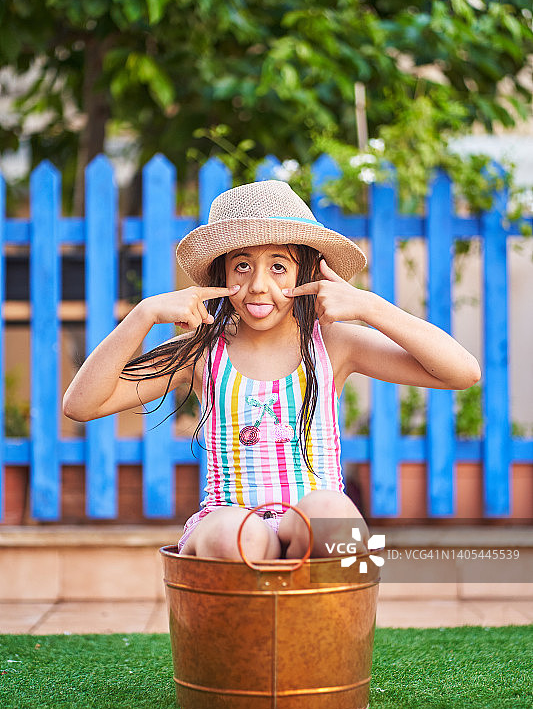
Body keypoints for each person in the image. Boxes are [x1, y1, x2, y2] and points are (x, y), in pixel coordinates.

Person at [63, 179, 481, 562]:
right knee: (234, 532)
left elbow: (462, 373)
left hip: (312, 532)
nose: (259, 284)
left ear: (307, 273)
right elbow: (81, 405)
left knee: (330, 509)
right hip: (229, 531)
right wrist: (142, 315)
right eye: (242, 265)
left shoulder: (334, 345)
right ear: (222, 273)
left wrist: (370, 306)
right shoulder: (202, 353)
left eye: (278, 266)